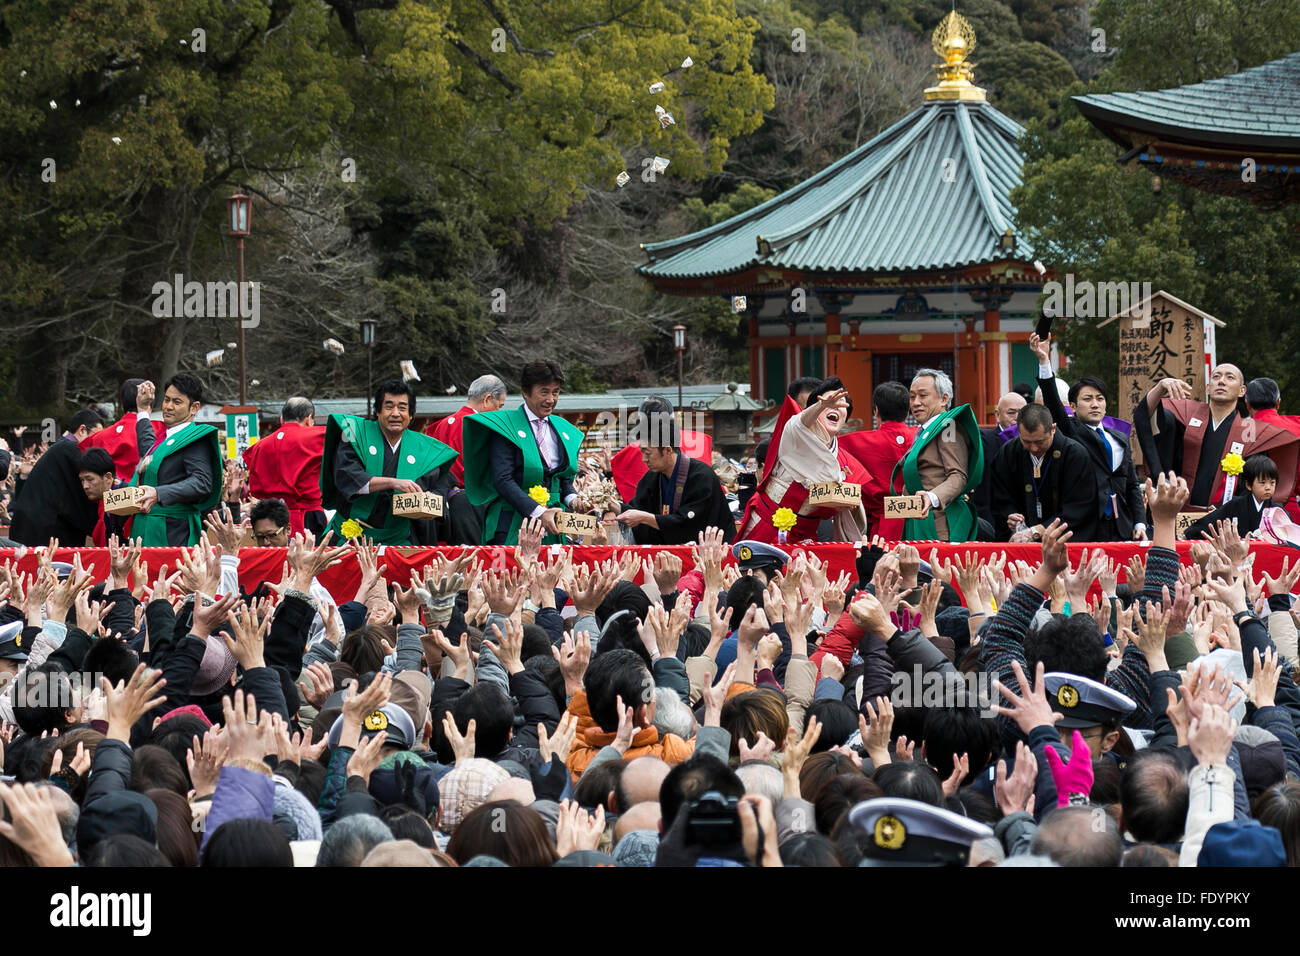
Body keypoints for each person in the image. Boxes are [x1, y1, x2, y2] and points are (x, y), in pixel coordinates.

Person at [1030, 334, 1146, 540]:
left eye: (1100, 399)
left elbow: (1131, 485)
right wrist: (1043, 360)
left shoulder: (1119, 438)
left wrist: (1140, 521)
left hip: (1122, 526)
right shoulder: (1070, 431)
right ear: (1073, 407)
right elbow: (1052, 400)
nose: (1095, 404)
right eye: (1087, 399)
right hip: (1085, 526)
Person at [1136, 364, 1300, 508]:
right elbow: (1146, 417)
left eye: (1230, 377)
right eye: (1216, 377)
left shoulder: (1252, 434)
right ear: (1208, 388)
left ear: (1242, 391)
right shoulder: (1185, 417)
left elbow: (1254, 485)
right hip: (1179, 513)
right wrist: (1160, 388)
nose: (1221, 381)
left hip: (1227, 522)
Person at [462, 360, 589, 545]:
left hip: (553, 521)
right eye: (544, 392)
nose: (551, 399)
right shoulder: (506, 427)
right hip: (514, 520)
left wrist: (574, 499)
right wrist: (539, 512)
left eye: (555, 392)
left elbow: (562, 479)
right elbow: (503, 479)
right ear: (525, 392)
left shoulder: (562, 429)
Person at [320, 380, 457, 545]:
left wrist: (431, 504)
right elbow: (347, 477)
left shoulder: (424, 447)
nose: (396, 413)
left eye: (402, 408)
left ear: (411, 414)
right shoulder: (355, 434)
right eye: (389, 406)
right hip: (350, 537)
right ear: (377, 411)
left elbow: (441, 482)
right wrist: (392, 483)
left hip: (399, 538)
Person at [738, 377, 871, 543]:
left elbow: (853, 516)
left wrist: (848, 503)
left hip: (807, 535)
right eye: (829, 403)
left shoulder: (846, 461)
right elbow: (799, 423)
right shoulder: (793, 434)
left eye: (842, 405)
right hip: (767, 525)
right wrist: (821, 405)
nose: (834, 407)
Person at [616, 398, 734, 545]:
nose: (644, 459)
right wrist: (612, 505)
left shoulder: (701, 476)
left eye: (647, 453)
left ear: (667, 450)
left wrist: (644, 518)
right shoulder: (652, 478)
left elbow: (688, 523)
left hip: (710, 555)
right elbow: (636, 509)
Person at [127, 374, 222, 547]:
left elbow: (202, 482)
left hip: (173, 532)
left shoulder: (194, 438)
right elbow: (149, 451)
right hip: (147, 526)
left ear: (194, 408)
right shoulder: (166, 437)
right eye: (166, 400)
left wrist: (158, 493)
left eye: (177, 402)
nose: (168, 407)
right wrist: (142, 411)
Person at [893, 369, 982, 542]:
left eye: (923, 396)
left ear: (944, 399)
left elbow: (958, 476)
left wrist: (931, 497)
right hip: (920, 519)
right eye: (912, 397)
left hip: (941, 525)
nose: (916, 403)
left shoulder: (948, 426)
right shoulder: (927, 430)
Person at [990, 404, 1099, 542]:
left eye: (1039, 441)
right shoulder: (1008, 453)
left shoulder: (1074, 454)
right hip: (1021, 541)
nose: (1034, 448)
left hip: (1064, 543)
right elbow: (1000, 498)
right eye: (1027, 442)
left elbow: (1079, 507)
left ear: (1053, 429)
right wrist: (1011, 517)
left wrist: (1038, 530)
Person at [425, 374, 507, 545]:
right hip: (470, 503)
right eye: (498, 406)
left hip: (444, 503)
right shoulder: (475, 425)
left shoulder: (443, 423)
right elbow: (471, 471)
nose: (498, 413)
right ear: (487, 399)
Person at [7, 410, 106, 546]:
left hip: (32, 526)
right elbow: (81, 497)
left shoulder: (61, 448)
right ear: (82, 430)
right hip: (44, 532)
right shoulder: (72, 450)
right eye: (97, 435)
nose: (99, 442)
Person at [838, 382, 917, 539]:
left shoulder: (853, 442)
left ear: (876, 412)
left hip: (880, 526)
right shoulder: (921, 437)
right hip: (919, 521)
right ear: (908, 413)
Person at [240, 397, 327, 536]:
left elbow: (256, 491)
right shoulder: (320, 436)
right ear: (309, 419)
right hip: (308, 517)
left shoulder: (259, 446)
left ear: (281, 419)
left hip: (270, 521)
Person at [1183, 454, 1282, 541]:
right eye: (1263, 483)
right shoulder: (1235, 505)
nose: (1268, 487)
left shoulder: (1277, 510)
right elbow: (1211, 521)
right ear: (1248, 485)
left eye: (1272, 483)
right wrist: (1189, 533)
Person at [83, 378, 165, 482]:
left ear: (122, 406)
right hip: (149, 494)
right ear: (149, 405)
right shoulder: (163, 431)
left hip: (110, 495)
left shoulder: (97, 438)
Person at [972, 392, 1027, 539]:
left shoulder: (1033, 442)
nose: (1017, 417)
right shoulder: (984, 440)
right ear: (997, 415)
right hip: (990, 518)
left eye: (1022, 413)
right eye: (1011, 413)